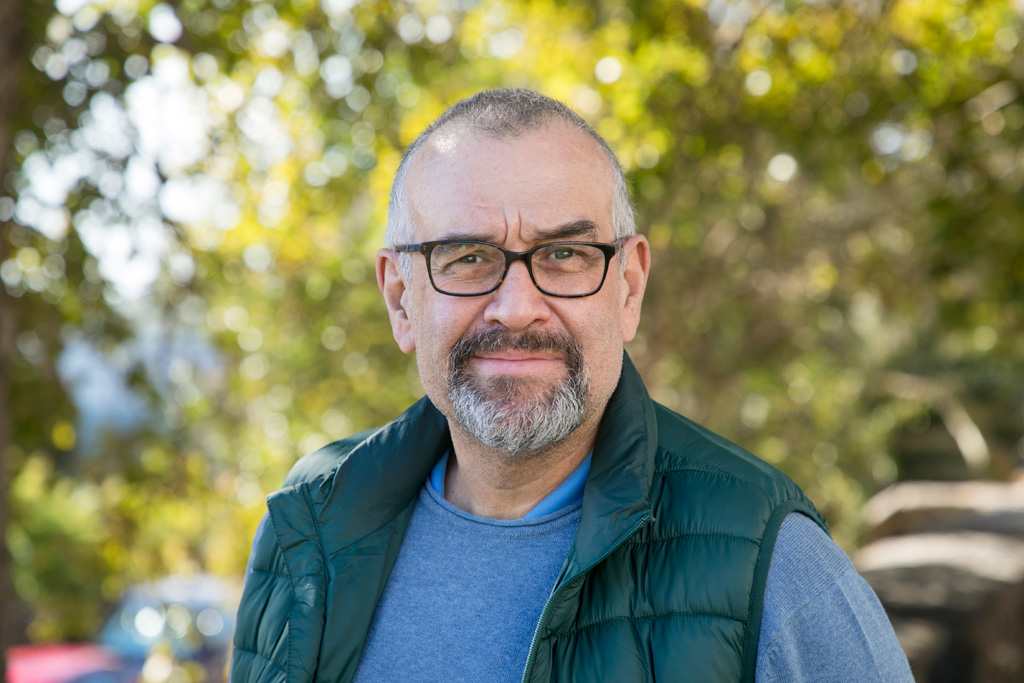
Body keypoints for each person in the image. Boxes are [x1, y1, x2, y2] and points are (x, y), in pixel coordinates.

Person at [231, 89, 912, 682]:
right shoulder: (308, 530)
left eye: (564, 255)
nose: (516, 308)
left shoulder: (775, 563)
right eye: (467, 257)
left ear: (628, 288)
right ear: (400, 299)